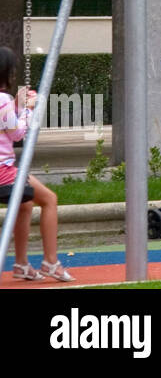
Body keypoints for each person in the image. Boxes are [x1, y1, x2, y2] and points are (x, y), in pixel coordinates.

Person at [0, 46, 74, 282]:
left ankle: (21, 264)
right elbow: (18, 134)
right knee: (49, 199)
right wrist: (28, 110)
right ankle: (51, 261)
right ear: (7, 73)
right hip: (3, 171)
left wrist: (18, 107)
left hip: (4, 168)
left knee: (25, 204)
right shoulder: (2, 99)